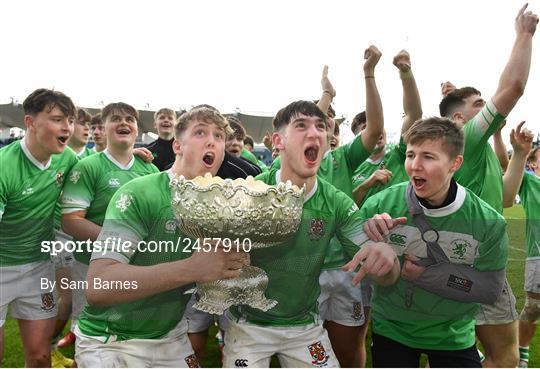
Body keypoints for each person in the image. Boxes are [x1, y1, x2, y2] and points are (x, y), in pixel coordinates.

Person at [223, 100, 401, 368]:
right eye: (301, 125)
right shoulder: (251, 193)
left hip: (303, 325)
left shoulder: (336, 202)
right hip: (249, 324)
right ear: (278, 142)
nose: (315, 132)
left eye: (321, 126)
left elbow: (384, 272)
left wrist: (387, 258)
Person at [74, 106, 248, 367]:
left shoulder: (218, 204)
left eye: (219, 136)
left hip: (171, 336)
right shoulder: (139, 193)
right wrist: (192, 268)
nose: (212, 140)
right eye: (200, 132)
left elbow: (209, 273)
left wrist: (230, 265)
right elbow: (100, 285)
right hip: (112, 339)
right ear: (177, 146)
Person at [360, 117, 508, 367]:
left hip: (453, 335)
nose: (415, 166)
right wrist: (369, 240)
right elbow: (355, 267)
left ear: (455, 164)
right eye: (410, 154)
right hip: (392, 330)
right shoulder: (379, 205)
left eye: (428, 157)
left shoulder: (488, 221)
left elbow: (490, 290)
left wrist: (429, 276)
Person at [438, 5, 538, 365]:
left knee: (465, 351)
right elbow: (513, 87)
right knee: (505, 356)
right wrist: (524, 35)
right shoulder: (464, 137)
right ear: (460, 119)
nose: (488, 110)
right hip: (475, 267)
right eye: (480, 105)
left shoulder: (474, 154)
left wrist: (520, 155)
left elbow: (507, 198)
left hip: (466, 264)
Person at [61, 102, 159, 357]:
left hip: (137, 269)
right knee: (90, 338)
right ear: (103, 128)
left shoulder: (149, 169)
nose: (124, 123)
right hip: (90, 266)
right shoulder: (88, 167)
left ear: (137, 129)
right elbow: (71, 220)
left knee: (131, 341)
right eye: (115, 119)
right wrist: (120, 242)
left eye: (130, 119)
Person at [0, 88, 78, 367]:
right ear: (30, 123)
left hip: (37, 267)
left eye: (70, 120)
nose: (67, 127)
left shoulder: (67, 158)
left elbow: (95, 182)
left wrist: (133, 154)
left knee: (40, 356)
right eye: (58, 119)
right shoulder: (3, 167)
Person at [517, 146, 540, 368]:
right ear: (532, 164)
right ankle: (522, 354)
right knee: (534, 308)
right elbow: (505, 164)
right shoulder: (530, 183)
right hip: (538, 257)